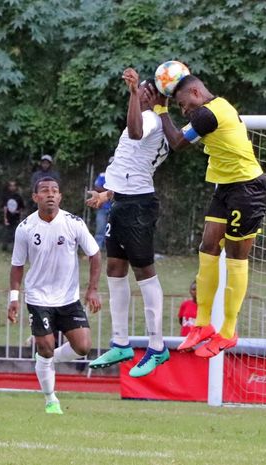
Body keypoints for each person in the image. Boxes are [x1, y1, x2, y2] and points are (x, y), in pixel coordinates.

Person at [146, 73, 266, 358]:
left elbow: (176, 142)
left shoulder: (209, 114)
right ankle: (202, 324)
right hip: (225, 187)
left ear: (196, 93)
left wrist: (160, 109)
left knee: (237, 256)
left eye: (182, 103)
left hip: (248, 188)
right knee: (208, 247)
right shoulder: (206, 111)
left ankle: (228, 331)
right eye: (177, 106)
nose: (183, 110)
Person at [87, 68, 171, 377]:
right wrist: (106, 195)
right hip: (122, 201)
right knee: (115, 267)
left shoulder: (151, 120)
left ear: (162, 98)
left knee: (144, 272)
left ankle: (157, 346)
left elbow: (135, 133)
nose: (145, 91)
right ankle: (120, 342)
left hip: (138, 206)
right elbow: (131, 163)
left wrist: (135, 93)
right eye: (144, 88)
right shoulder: (146, 117)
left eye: (151, 90)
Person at [8, 177, 102, 414]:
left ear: (60, 197)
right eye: (44, 191)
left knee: (83, 347)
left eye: (54, 191)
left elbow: (95, 254)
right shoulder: (25, 228)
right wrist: (13, 298)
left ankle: (45, 360)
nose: (50, 194)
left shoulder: (74, 223)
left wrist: (92, 289)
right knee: (47, 347)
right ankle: (51, 399)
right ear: (35, 197)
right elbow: (17, 265)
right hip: (38, 298)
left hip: (68, 299)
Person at [92, 157, 114, 250]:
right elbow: (97, 188)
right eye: (111, 163)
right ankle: (97, 249)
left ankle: (110, 249)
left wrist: (106, 190)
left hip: (114, 207)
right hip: (102, 206)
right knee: (100, 229)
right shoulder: (102, 175)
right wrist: (110, 191)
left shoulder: (121, 176)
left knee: (113, 230)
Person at [2, 180, 25, 251]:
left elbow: (22, 208)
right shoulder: (6, 196)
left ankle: (15, 247)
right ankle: (4, 247)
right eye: (10, 186)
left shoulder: (18, 197)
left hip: (16, 218)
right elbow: (5, 208)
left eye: (13, 186)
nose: (12, 187)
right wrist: (5, 218)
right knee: (7, 233)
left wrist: (19, 215)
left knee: (15, 233)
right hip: (9, 218)